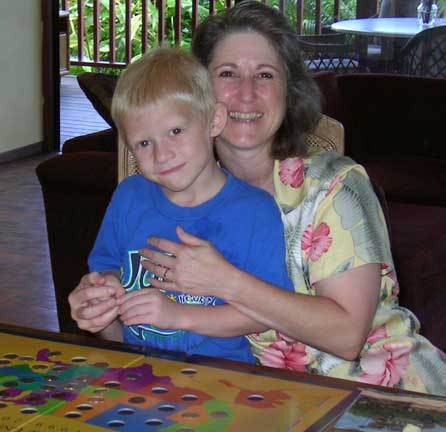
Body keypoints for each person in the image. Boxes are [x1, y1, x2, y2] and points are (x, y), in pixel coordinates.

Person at [137, 1, 446, 395]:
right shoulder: (176, 196)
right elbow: (151, 325)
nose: (246, 93)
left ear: (288, 93)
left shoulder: (336, 186)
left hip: (386, 400)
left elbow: (347, 334)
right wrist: (107, 307)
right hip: (265, 403)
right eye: (228, 73)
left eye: (265, 75)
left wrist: (224, 281)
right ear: (197, 92)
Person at [68, 47, 294, 364]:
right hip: (136, 371)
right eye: (144, 143)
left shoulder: (255, 211)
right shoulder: (128, 197)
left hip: (222, 383)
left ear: (214, 120)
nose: (162, 155)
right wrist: (102, 293)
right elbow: (107, 267)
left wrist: (179, 316)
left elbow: (263, 315)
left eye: (175, 131)